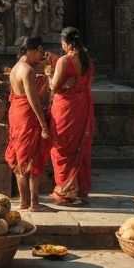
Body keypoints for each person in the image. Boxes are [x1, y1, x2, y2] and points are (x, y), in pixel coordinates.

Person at [48, 26, 95, 205]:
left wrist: (48, 74)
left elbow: (55, 86)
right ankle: (80, 189)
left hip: (66, 109)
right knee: (79, 146)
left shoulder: (65, 61)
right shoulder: (88, 60)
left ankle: (66, 190)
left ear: (66, 43)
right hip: (82, 107)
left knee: (62, 147)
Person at [4, 36, 51, 211]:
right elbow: (33, 100)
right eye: (40, 52)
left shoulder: (16, 68)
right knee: (33, 158)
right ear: (35, 49)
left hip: (16, 114)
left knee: (19, 158)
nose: (41, 55)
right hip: (27, 116)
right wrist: (44, 125)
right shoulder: (28, 71)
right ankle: (34, 203)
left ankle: (24, 202)